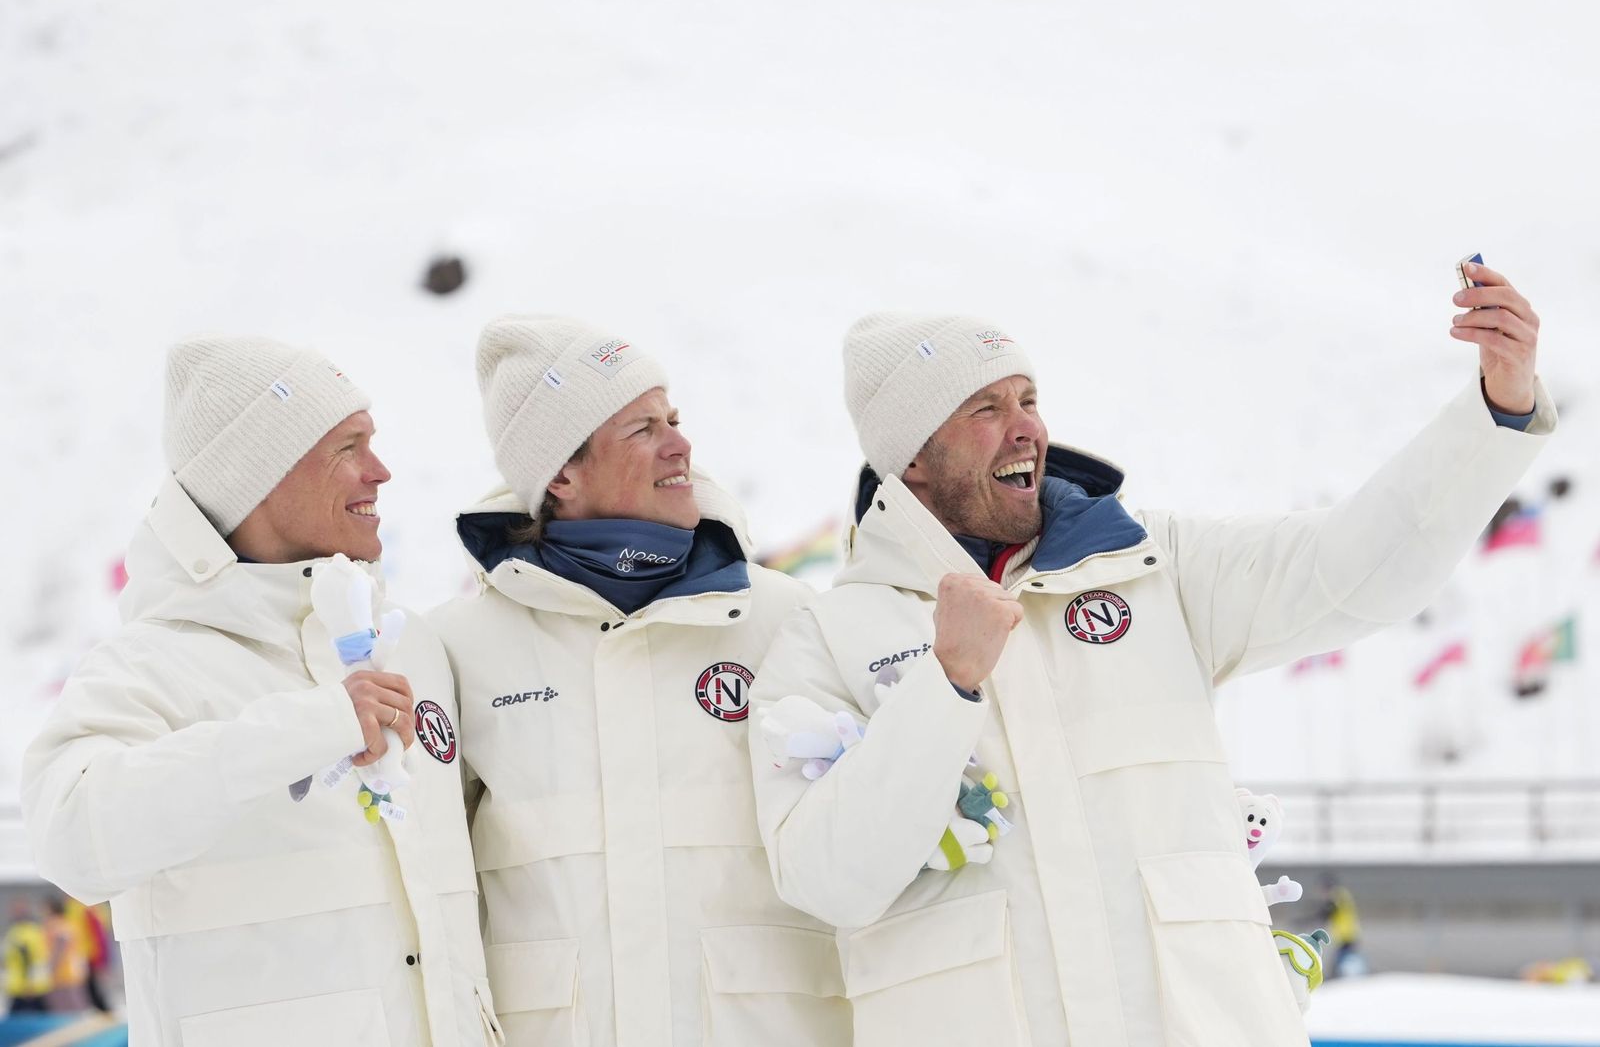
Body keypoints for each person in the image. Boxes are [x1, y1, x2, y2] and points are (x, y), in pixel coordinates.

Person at [749, 261, 1553, 1046]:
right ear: (913, 458)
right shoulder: (828, 640)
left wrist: (1496, 410)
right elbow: (826, 884)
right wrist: (946, 686)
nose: (1027, 424)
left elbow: (1352, 569)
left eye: (1028, 398)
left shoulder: (1156, 567)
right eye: (986, 408)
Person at [23, 337, 500, 1045]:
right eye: (349, 447)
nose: (381, 471)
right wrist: (308, 730)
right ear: (264, 476)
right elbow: (71, 841)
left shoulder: (412, 647)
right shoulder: (150, 666)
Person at [429, 316, 848, 1047]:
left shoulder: (782, 618)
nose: (682, 445)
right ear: (560, 473)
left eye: (675, 420)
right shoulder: (458, 648)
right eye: (643, 429)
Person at [4, 899, 51, 1014]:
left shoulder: (25, 932)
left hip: (26, 988)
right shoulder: (21, 930)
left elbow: (28, 960)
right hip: (23, 986)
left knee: (25, 1018)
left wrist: (28, 985)